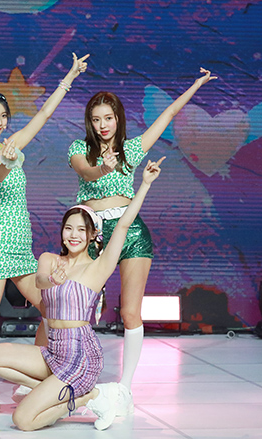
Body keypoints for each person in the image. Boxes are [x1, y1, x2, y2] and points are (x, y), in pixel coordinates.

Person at [68, 68, 216, 415]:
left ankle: (125, 388)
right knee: (74, 306)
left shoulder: (131, 150)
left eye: (108, 118)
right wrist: (103, 168)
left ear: (118, 119)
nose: (103, 125)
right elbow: (86, 172)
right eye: (96, 119)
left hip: (130, 231)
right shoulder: (79, 148)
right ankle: (65, 376)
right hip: (93, 233)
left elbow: (169, 114)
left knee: (131, 312)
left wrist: (195, 84)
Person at [0, 158, 164, 431]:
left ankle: (90, 396)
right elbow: (41, 282)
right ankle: (63, 393)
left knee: (22, 420)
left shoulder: (97, 267)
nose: (74, 235)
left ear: (92, 235)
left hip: (80, 357)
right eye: (68, 228)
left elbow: (124, 224)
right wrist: (51, 279)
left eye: (81, 230)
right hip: (53, 352)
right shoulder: (49, 259)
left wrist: (146, 184)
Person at [0, 53, 89, 410]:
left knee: (50, 309)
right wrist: (6, 159)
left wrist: (69, 77)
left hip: (20, 244)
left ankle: (30, 381)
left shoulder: (12, 144)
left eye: (3, 116)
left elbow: (44, 114)